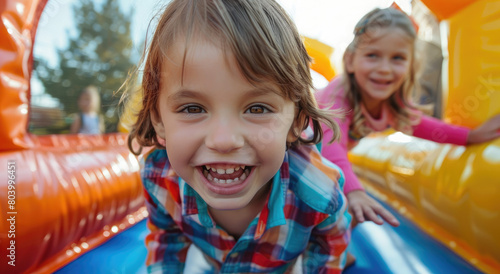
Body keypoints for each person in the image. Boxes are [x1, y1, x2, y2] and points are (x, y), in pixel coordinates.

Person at [122, 0, 351, 272]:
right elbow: (167, 239)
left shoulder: (318, 194)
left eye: (257, 108)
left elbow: (329, 247)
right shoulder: (159, 179)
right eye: (193, 108)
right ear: (159, 121)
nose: (224, 140)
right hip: (211, 257)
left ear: (296, 121)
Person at [317, 7, 500, 235]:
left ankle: (336, 250)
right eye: (372, 55)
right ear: (351, 60)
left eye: (398, 58)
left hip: (322, 162)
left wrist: (470, 136)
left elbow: (424, 126)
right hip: (294, 151)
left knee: (351, 208)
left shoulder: (392, 103)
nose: (384, 69)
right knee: (332, 199)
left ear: (410, 65)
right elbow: (330, 146)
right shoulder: (338, 94)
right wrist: (355, 191)